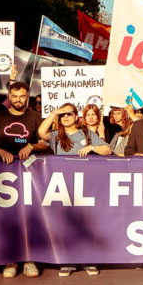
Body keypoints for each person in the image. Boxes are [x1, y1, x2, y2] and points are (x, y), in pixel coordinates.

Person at [0, 81, 52, 278]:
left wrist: (31, 146)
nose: (18, 99)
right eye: (15, 96)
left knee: (30, 217)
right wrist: (0, 150)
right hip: (4, 176)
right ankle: (11, 260)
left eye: (22, 96)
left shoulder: (35, 117)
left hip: (31, 175)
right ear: (9, 97)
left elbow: (45, 143)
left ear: (27, 96)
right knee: (9, 219)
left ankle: (30, 258)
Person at [44, 103, 111, 276]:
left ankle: (89, 260)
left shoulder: (87, 134)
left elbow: (107, 150)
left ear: (76, 117)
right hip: (63, 186)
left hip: (86, 186)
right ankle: (68, 262)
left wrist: (92, 147)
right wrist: (54, 113)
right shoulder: (56, 135)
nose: (65, 117)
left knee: (88, 223)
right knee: (67, 224)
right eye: (63, 115)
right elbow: (40, 133)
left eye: (69, 114)